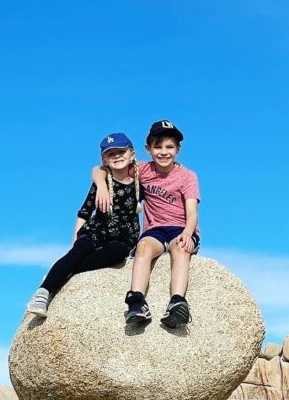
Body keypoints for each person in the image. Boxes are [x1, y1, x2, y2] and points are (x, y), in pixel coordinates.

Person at [94, 119, 200, 328]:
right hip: (155, 230)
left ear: (178, 149)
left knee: (180, 249)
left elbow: (192, 212)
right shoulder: (142, 169)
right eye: (157, 147)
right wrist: (101, 186)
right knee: (142, 248)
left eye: (169, 147)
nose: (163, 152)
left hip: (181, 227)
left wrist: (188, 233)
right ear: (148, 149)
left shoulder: (187, 176)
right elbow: (100, 169)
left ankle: (177, 301)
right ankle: (137, 301)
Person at [26, 133, 142, 317]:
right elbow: (84, 212)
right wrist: (75, 240)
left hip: (123, 238)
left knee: (117, 253)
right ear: (104, 159)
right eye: (111, 154)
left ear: (132, 154)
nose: (118, 156)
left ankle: (64, 272)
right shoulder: (101, 183)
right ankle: (44, 292)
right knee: (79, 250)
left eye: (121, 151)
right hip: (96, 231)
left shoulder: (139, 182)